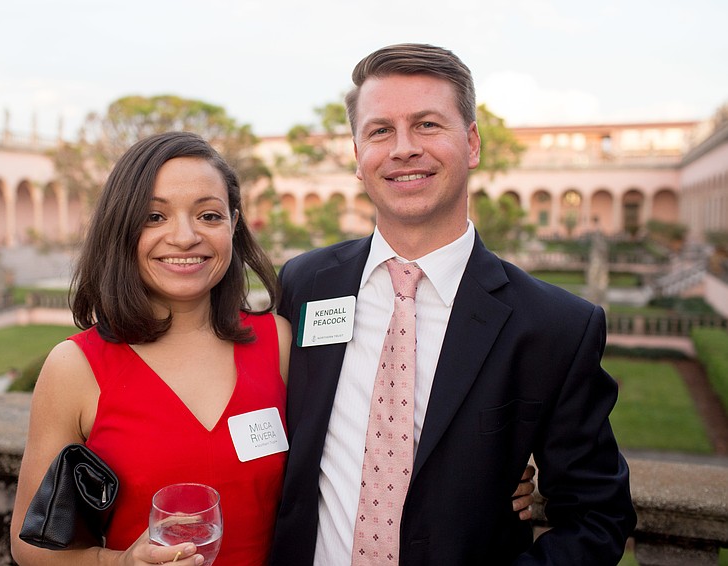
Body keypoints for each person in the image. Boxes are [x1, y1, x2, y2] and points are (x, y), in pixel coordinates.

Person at [269, 43, 637, 565]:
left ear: (472, 143)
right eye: (380, 131)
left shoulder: (555, 326)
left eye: (427, 125)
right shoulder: (305, 284)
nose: (403, 149)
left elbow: (598, 518)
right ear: (357, 157)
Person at [10, 131, 292, 566]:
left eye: (209, 215)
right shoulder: (75, 367)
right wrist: (120, 562)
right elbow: (30, 547)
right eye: (154, 217)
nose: (185, 237)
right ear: (121, 227)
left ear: (233, 224)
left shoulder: (277, 341)